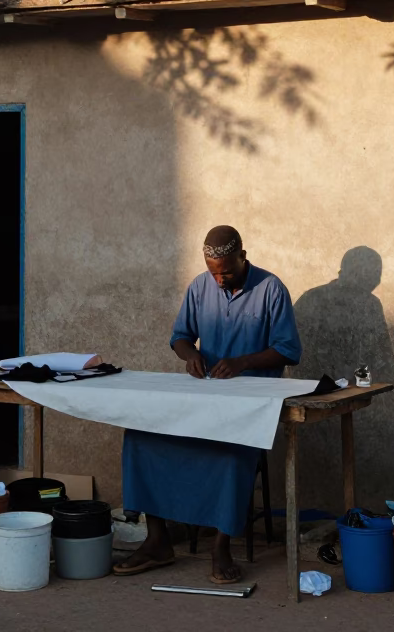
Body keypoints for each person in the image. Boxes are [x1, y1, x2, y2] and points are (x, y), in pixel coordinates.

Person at [113, 225, 301, 584]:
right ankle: (157, 540)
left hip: (249, 402)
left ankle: (221, 547)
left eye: (226, 271)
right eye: (213, 271)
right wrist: (191, 356)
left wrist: (243, 362)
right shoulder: (200, 286)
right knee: (142, 437)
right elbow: (180, 337)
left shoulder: (271, 289)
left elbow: (289, 349)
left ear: (243, 257)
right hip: (205, 395)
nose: (218, 279)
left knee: (230, 452)